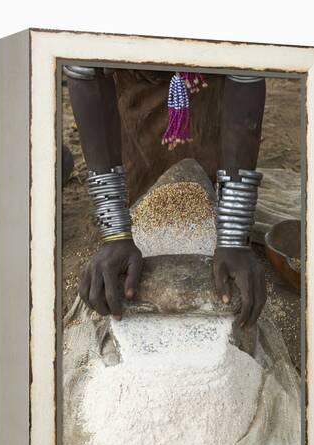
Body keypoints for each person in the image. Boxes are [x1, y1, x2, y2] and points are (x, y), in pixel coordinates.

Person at [64, 65, 267, 328]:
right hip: (135, 81)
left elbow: (246, 70)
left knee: (209, 193)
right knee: (141, 188)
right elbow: (83, 71)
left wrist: (233, 237)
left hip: (208, 81)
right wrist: (115, 234)